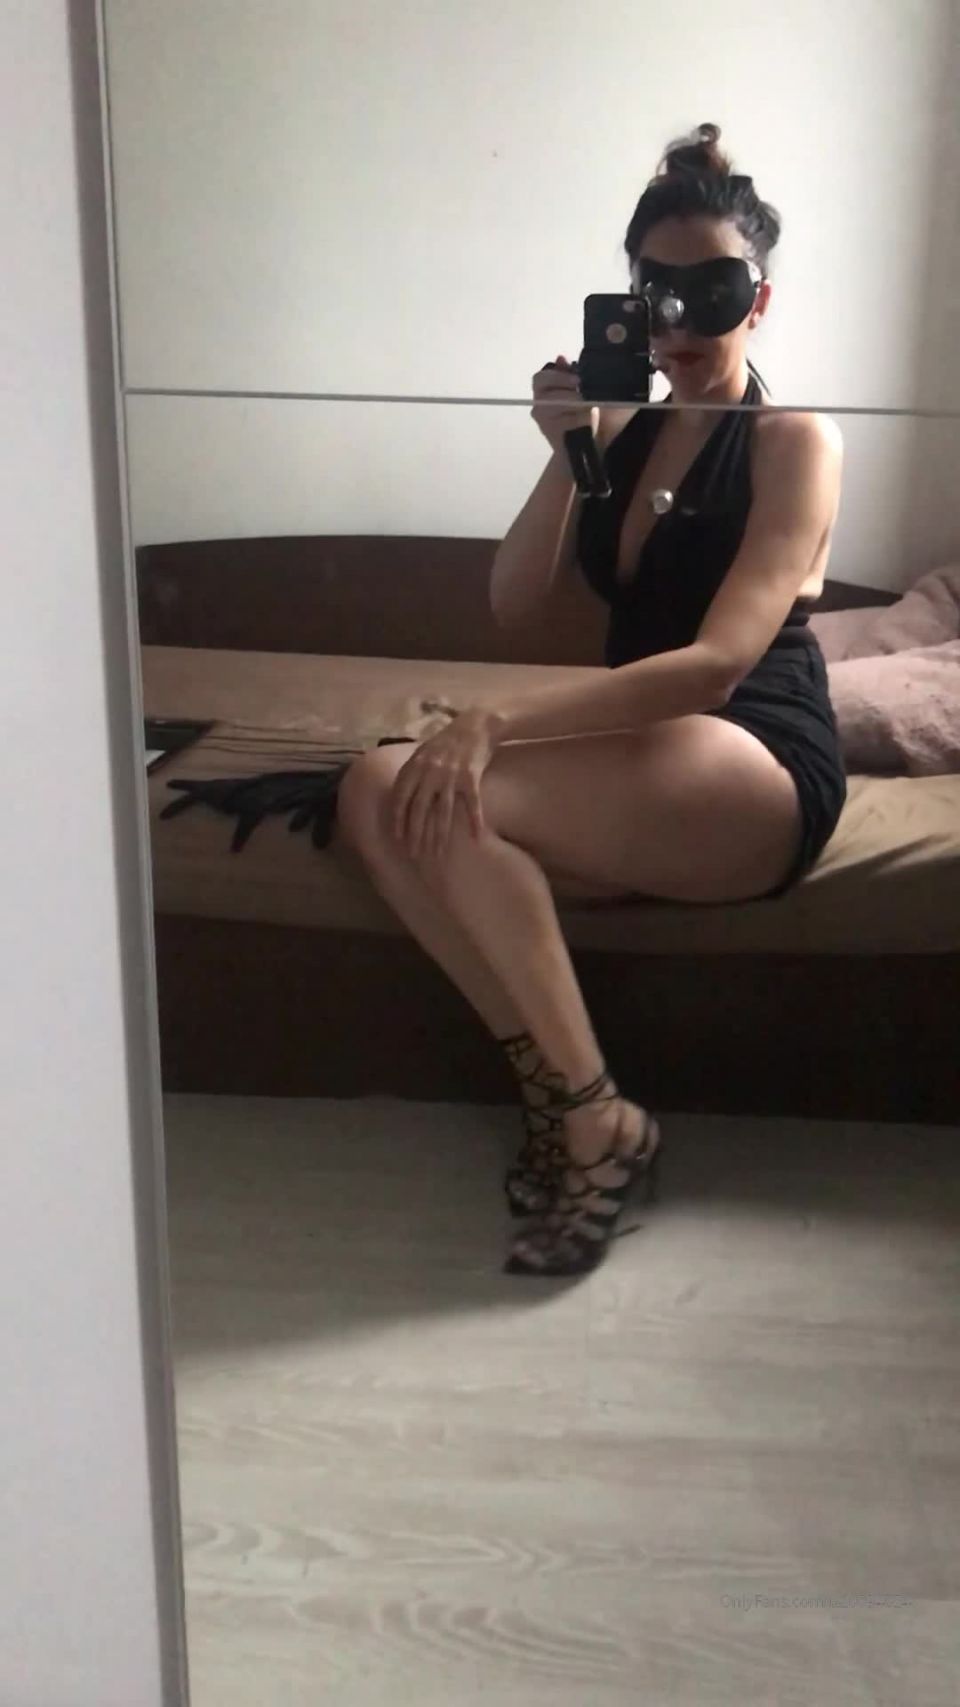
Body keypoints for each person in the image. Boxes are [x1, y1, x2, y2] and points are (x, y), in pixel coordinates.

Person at [337, 122, 846, 1278]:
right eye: (657, 292)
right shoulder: (622, 431)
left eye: (714, 292)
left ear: (759, 302)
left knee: (448, 785)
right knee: (375, 790)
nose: (682, 322)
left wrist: (493, 725)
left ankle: (585, 1122)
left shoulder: (794, 441)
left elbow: (717, 665)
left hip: (748, 750)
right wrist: (564, 448)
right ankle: (580, 1103)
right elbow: (511, 603)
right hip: (639, 736)